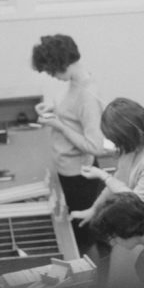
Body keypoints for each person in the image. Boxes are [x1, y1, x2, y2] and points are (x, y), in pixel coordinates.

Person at [71, 98, 144, 285]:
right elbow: (120, 179)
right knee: (119, 287)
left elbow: (136, 205)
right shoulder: (134, 140)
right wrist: (94, 209)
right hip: (130, 227)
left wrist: (104, 176)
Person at [31, 34, 106, 256]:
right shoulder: (75, 82)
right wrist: (53, 110)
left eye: (51, 71)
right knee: (78, 234)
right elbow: (73, 115)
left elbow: (96, 146)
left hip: (79, 177)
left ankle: (93, 287)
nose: (52, 76)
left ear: (60, 64)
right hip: (68, 171)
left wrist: (60, 126)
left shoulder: (87, 94)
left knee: (82, 239)